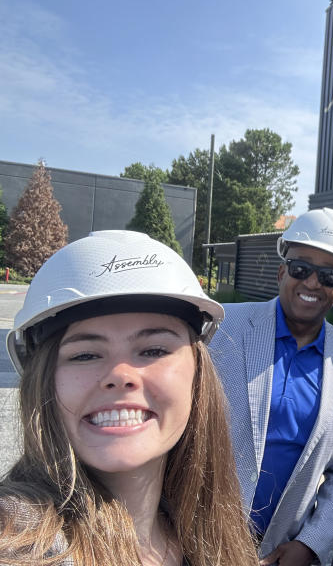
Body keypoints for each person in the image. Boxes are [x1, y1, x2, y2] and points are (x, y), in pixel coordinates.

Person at [0, 230, 257, 566]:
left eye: (153, 350)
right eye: (85, 355)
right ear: (44, 380)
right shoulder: (19, 540)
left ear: (198, 376)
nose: (121, 376)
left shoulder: (211, 533)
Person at [210, 208, 333, 566]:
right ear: (282, 271)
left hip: (280, 552)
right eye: (301, 269)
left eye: (329, 276)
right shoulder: (222, 329)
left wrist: (309, 544)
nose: (313, 282)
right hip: (199, 538)